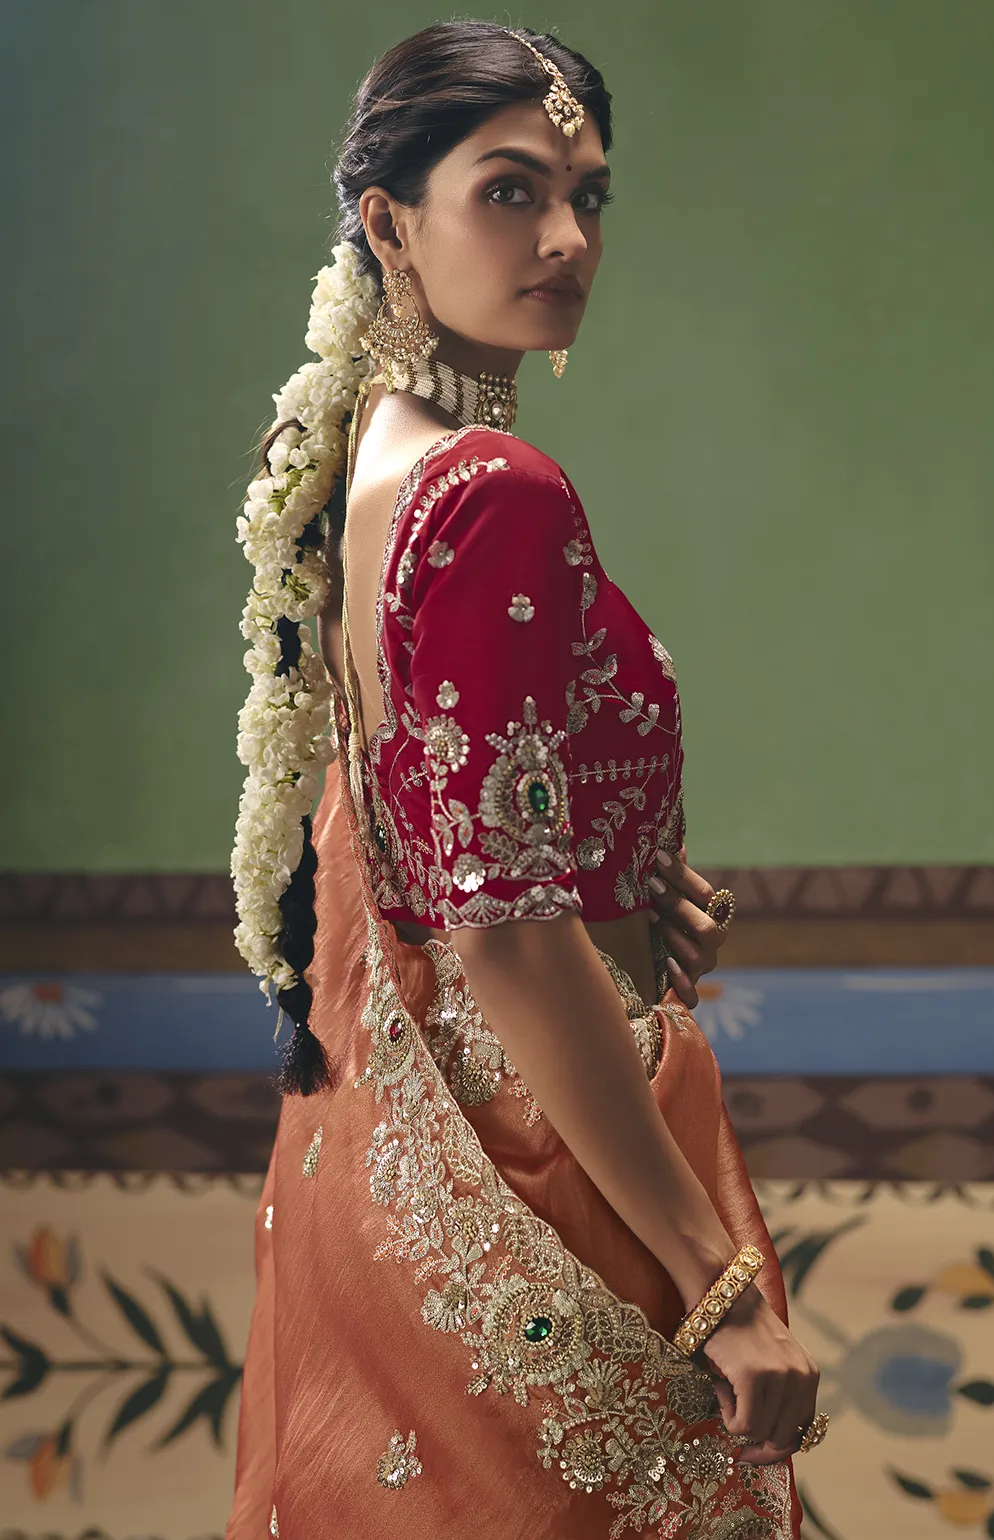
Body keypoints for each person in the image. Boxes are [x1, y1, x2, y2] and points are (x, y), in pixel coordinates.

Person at [227, 21, 822, 1538]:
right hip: (549, 1164)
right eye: (510, 190)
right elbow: (496, 925)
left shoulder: (363, 464)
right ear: (388, 224)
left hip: (408, 1156)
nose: (566, 237)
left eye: (588, 196)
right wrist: (715, 1283)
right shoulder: (493, 489)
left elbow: (425, 823)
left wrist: (614, 869)